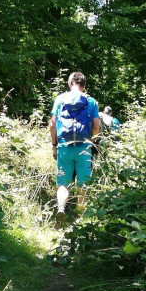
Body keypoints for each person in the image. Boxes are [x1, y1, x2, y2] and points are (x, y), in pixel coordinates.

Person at [50, 72, 100, 228]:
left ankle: (61, 208)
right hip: (84, 147)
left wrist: (54, 145)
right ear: (84, 85)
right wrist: (91, 142)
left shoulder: (60, 99)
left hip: (64, 146)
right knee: (83, 185)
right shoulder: (91, 101)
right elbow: (97, 127)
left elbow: (52, 125)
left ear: (69, 83)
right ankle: (79, 222)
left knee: (63, 184)